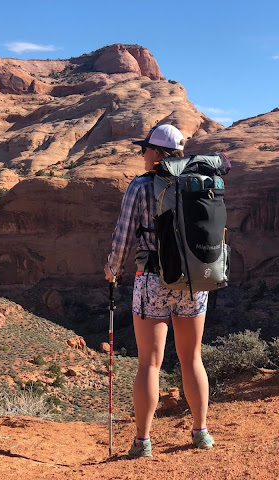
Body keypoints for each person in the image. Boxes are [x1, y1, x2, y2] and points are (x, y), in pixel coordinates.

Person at [104, 124, 214, 459]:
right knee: (191, 358)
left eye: (144, 149)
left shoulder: (140, 185)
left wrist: (112, 270)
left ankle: (143, 442)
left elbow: (123, 236)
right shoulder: (200, 181)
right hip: (194, 279)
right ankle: (201, 433)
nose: (141, 154)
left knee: (149, 363)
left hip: (151, 279)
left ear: (156, 153)